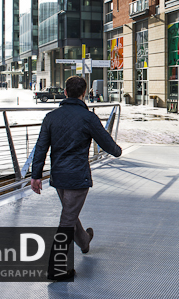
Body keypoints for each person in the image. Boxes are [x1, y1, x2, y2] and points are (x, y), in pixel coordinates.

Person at [30, 76, 122, 281]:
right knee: (67, 219)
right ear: (84, 94)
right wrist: (117, 151)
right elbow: (107, 143)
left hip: (59, 177)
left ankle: (84, 241)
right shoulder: (87, 117)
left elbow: (41, 148)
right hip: (77, 177)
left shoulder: (51, 117)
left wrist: (36, 176)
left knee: (70, 214)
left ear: (64, 92)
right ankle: (57, 268)